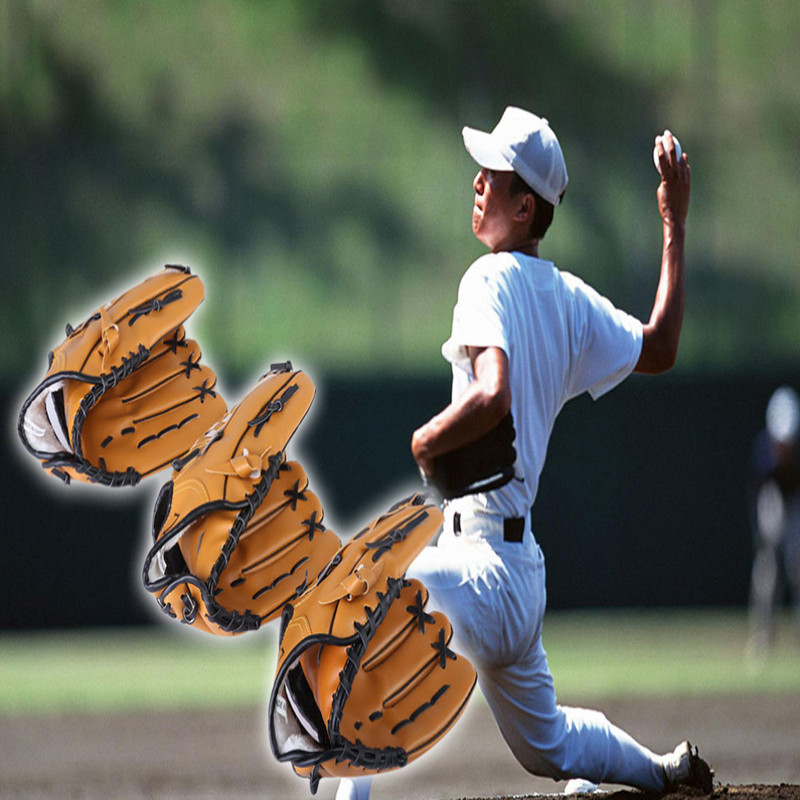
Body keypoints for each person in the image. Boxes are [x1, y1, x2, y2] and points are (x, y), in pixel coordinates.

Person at [336, 107, 710, 800]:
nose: (477, 182)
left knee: (370, 607)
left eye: (495, 175)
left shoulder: (487, 280)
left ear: (524, 203)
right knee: (553, 748)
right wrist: (674, 225)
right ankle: (664, 772)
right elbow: (661, 347)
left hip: (477, 571)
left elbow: (494, 393)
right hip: (517, 576)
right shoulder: (566, 298)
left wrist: (425, 440)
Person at [747, 385, 800, 657]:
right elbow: (763, 497)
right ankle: (763, 638)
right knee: (767, 570)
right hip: (776, 499)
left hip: (796, 501)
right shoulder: (765, 450)